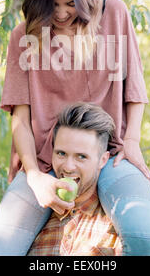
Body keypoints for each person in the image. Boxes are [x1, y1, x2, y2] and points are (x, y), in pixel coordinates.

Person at [0, 0, 150, 256]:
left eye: (71, 3)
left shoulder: (114, 15)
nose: (63, 13)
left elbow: (135, 86)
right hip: (44, 161)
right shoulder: (23, 37)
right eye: (53, 5)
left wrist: (132, 141)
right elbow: (20, 120)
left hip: (109, 154)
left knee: (144, 238)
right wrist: (36, 177)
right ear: (39, 1)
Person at [27, 102, 122, 256]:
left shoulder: (120, 226)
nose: (68, 167)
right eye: (61, 154)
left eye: (81, 157)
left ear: (103, 160)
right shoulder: (31, 221)